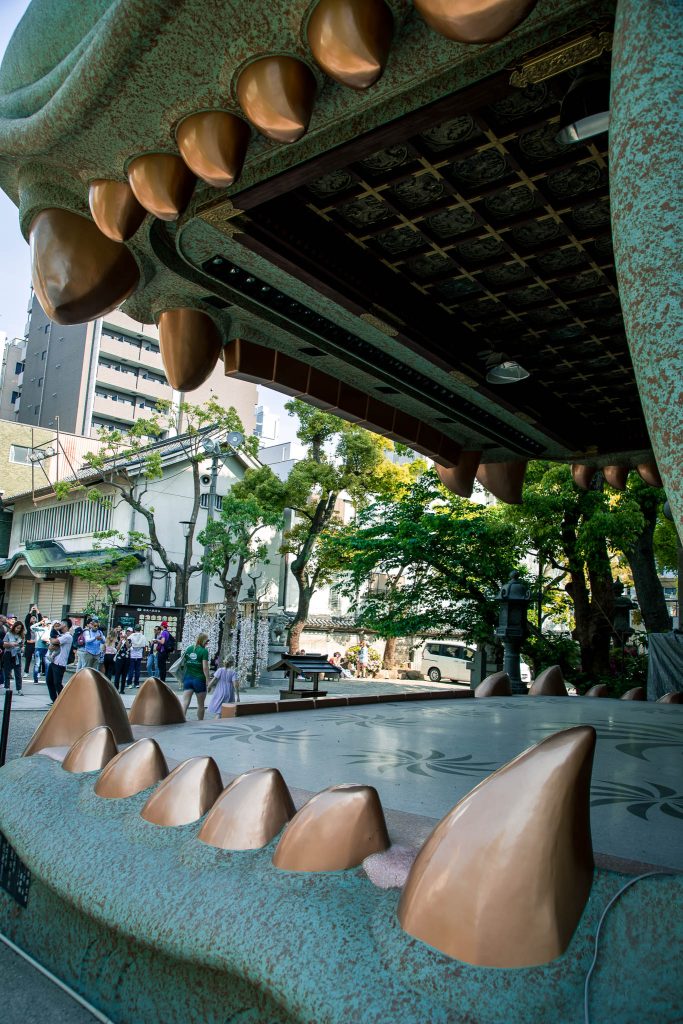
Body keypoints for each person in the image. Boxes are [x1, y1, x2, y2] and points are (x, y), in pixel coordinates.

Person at [180, 632, 210, 721]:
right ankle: (199, 723)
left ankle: (181, 720)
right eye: (207, 641)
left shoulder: (189, 649)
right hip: (199, 680)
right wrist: (208, 680)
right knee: (200, 704)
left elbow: (183, 663)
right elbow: (205, 667)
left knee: (185, 703)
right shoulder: (204, 651)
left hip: (188, 679)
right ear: (203, 641)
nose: (207, 643)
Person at [45, 618, 73, 703]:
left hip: (60, 663)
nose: (59, 626)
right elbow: (52, 644)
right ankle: (55, 700)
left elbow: (54, 641)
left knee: (57, 683)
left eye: (61, 624)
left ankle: (62, 701)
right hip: (54, 661)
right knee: (49, 681)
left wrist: (51, 641)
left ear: (64, 625)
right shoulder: (61, 635)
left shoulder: (67, 636)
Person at [3, 619, 25, 694]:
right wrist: (11, 644)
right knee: (7, 671)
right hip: (8, 653)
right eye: (17, 628)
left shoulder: (21, 635)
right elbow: (4, 644)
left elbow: (22, 645)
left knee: (18, 672)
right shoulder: (8, 634)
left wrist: (22, 648)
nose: (18, 630)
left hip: (17, 654)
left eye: (20, 628)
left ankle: (19, 689)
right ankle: (7, 687)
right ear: (14, 627)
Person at [113, 629, 132, 694]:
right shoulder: (117, 640)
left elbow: (128, 647)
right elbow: (117, 648)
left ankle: (122, 689)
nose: (122, 635)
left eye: (123, 634)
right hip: (119, 658)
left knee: (124, 674)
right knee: (117, 674)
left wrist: (126, 639)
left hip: (126, 659)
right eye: (121, 634)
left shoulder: (129, 640)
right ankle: (116, 689)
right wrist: (121, 641)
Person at [32, 617, 50, 682]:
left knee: (47, 664)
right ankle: (36, 679)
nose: (45, 622)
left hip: (46, 648)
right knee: (38, 664)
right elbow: (31, 627)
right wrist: (39, 622)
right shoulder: (39, 629)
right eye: (44, 620)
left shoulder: (49, 629)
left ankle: (47, 680)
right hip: (39, 648)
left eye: (46, 621)